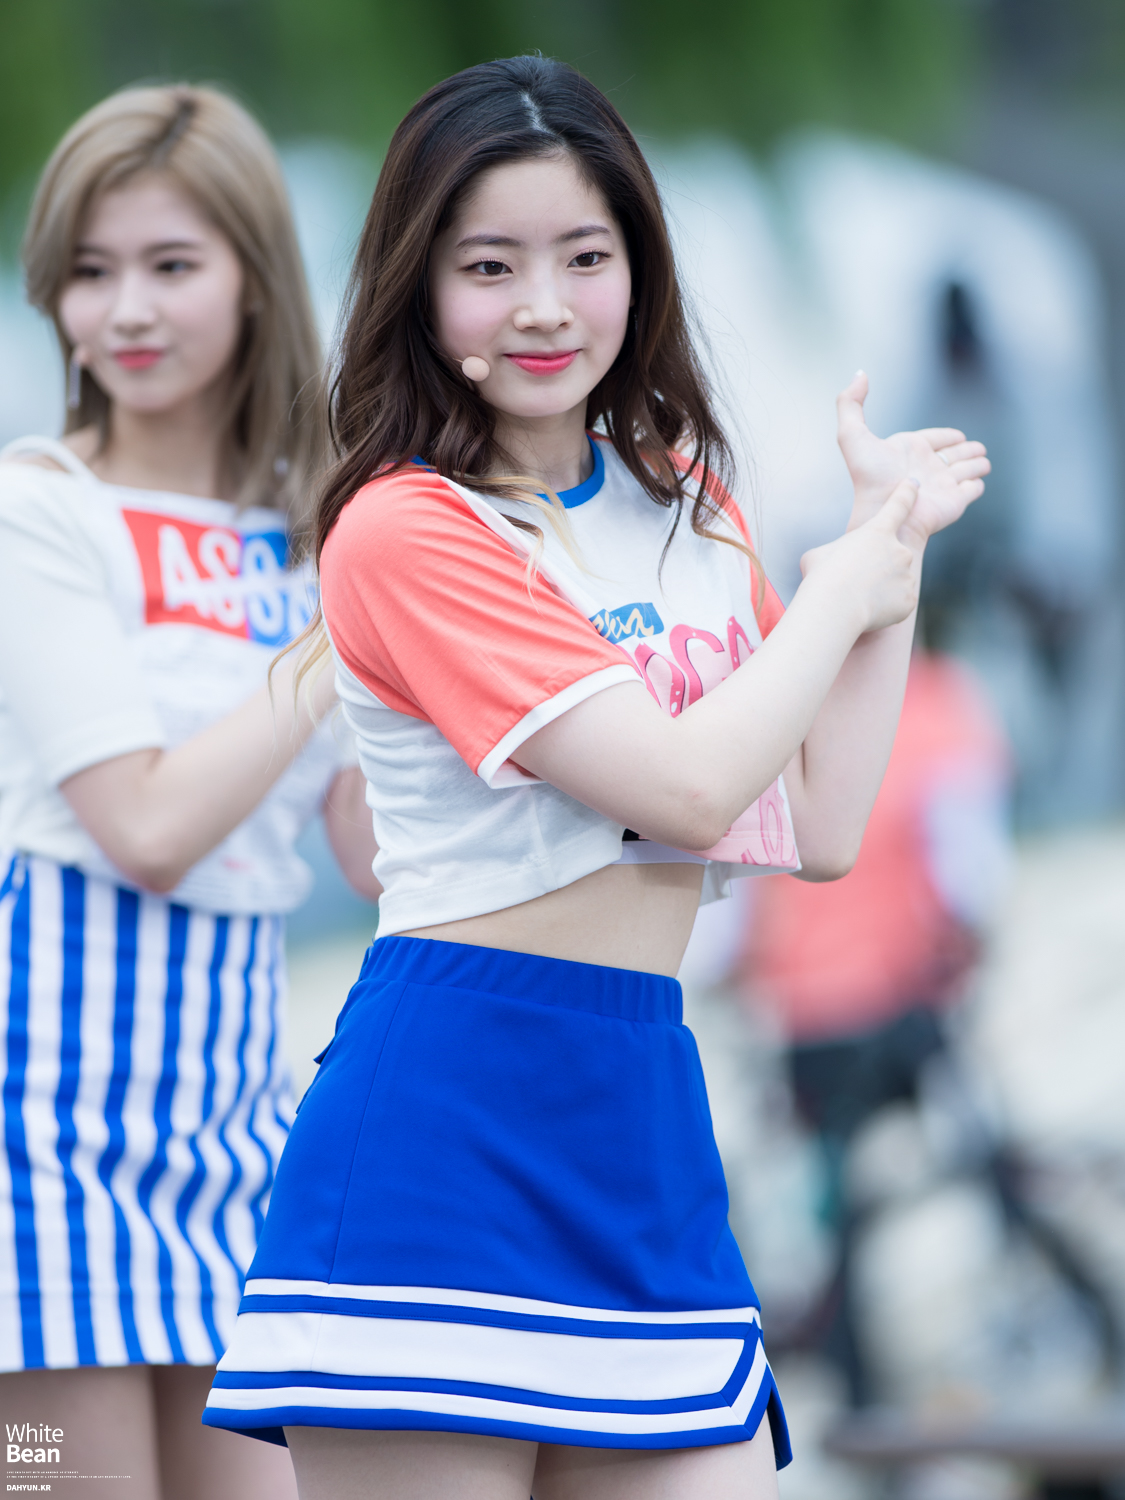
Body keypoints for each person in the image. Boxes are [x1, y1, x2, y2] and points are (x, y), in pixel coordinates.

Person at [202, 56, 989, 1499]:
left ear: (639, 266)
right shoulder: (405, 530)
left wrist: (892, 557)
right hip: (445, 1121)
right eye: (488, 266)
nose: (544, 306)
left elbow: (817, 824)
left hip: (641, 1108)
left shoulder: (682, 496)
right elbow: (683, 791)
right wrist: (837, 589)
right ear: (419, 288)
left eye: (584, 255)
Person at [0, 85, 379, 1500]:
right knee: (55, 1484)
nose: (125, 312)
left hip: (233, 1108)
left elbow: (371, 853)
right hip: (40, 1119)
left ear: (253, 275)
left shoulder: (315, 534)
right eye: (90, 273)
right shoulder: (40, 507)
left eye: (170, 265)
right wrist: (339, 637)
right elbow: (148, 827)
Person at [740, 648, 1011, 1401]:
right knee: (986, 1170)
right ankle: (1060, 1322)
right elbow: (970, 872)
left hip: (807, 1018)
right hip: (901, 1006)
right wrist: (966, 952)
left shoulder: (778, 701)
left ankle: (857, 1392)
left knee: (838, 1214)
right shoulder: (937, 703)